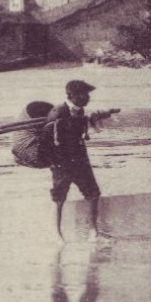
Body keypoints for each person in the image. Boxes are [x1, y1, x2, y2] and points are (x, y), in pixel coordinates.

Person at [46, 79, 102, 242]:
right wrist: (55, 163)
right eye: (82, 94)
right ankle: (56, 233)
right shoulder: (58, 112)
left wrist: (92, 122)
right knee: (59, 197)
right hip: (61, 162)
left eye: (87, 94)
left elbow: (84, 134)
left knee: (93, 193)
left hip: (79, 160)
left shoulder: (80, 111)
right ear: (71, 96)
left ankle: (93, 231)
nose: (86, 97)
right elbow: (47, 140)